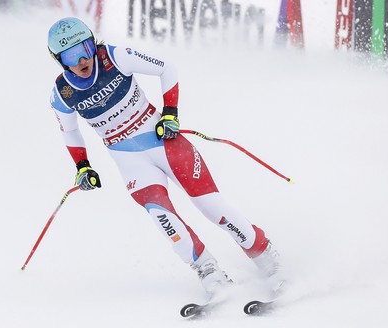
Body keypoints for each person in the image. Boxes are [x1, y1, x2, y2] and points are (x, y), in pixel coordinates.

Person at [47, 17, 284, 298]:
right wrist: (82, 166)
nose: (83, 59)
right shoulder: (62, 94)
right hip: (127, 156)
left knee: (212, 207)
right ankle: (208, 271)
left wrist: (170, 112)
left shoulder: (114, 56)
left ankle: (267, 259)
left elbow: (166, 68)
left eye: (86, 47)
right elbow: (70, 131)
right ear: (60, 60)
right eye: (72, 55)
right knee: (163, 217)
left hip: (162, 140)